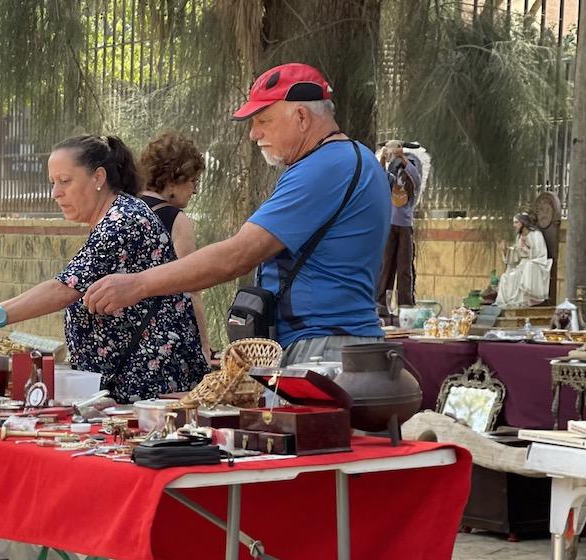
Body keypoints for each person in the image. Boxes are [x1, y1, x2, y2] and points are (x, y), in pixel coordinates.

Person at [85, 63, 390, 369]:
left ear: (301, 117)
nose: (254, 134)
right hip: (343, 344)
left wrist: (138, 285)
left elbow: (239, 254)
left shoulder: (323, 168)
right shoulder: (356, 158)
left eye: (263, 120)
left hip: (321, 351)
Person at [0, 135, 207, 402]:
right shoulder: (117, 216)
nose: (56, 193)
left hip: (146, 388)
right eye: (53, 183)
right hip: (127, 384)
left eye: (65, 181)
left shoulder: (122, 222)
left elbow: (64, 288)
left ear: (98, 178)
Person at [138, 132, 213, 359]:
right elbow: (191, 287)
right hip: (161, 341)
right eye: (192, 181)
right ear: (173, 179)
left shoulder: (120, 210)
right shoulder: (175, 220)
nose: (195, 190)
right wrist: (204, 345)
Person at [375, 139, 423, 320]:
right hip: (389, 225)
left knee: (404, 268)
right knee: (386, 265)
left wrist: (402, 156)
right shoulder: (391, 177)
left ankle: (405, 304)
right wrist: (384, 159)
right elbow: (380, 178)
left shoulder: (412, 178)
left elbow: (415, 178)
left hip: (405, 227)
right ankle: (381, 304)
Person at [496, 213, 552, 309]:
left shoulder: (536, 235)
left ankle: (522, 301)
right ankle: (510, 302)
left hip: (535, 262)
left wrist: (527, 247)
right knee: (506, 277)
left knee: (519, 273)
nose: (514, 225)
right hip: (522, 264)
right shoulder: (519, 237)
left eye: (516, 222)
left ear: (523, 222)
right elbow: (516, 255)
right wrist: (505, 250)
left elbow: (540, 253)